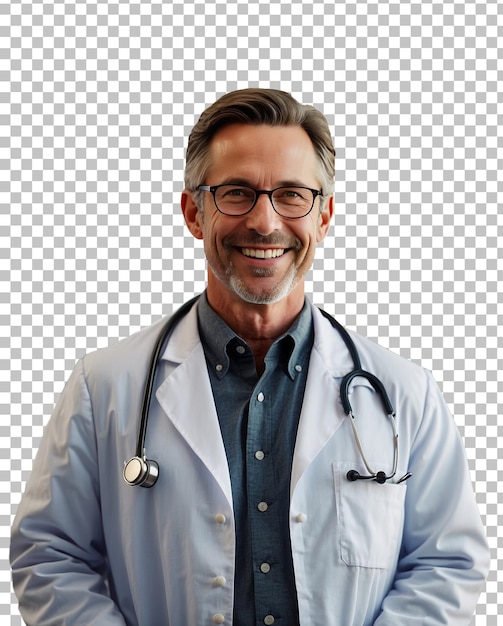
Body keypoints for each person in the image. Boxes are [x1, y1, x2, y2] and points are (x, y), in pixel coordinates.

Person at [10, 88, 489, 626]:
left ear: (324, 216)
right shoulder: (105, 387)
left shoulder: (405, 392)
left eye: (291, 195)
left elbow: (446, 563)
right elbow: (51, 556)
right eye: (237, 193)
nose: (264, 222)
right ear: (194, 212)